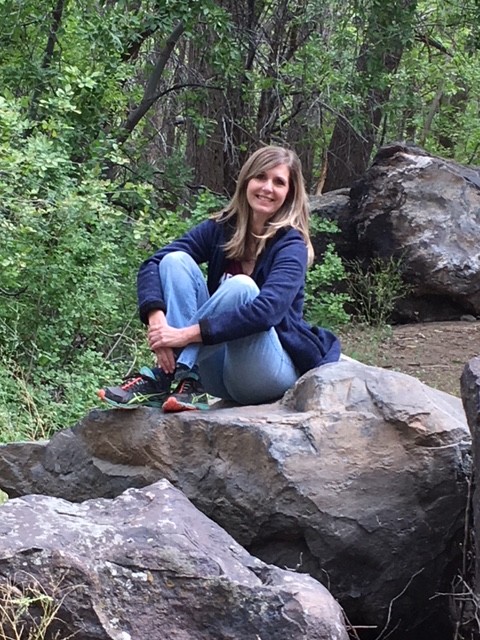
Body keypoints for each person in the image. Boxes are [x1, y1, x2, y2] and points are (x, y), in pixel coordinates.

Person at [97, 145, 341, 412]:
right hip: (217, 373)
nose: (267, 188)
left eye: (279, 182)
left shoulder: (291, 245)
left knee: (241, 287)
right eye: (260, 177)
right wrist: (157, 323)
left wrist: (181, 336)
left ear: (290, 193)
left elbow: (267, 312)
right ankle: (186, 379)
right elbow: (152, 263)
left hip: (266, 373)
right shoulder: (222, 228)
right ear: (246, 181)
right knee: (174, 261)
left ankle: (166, 374)